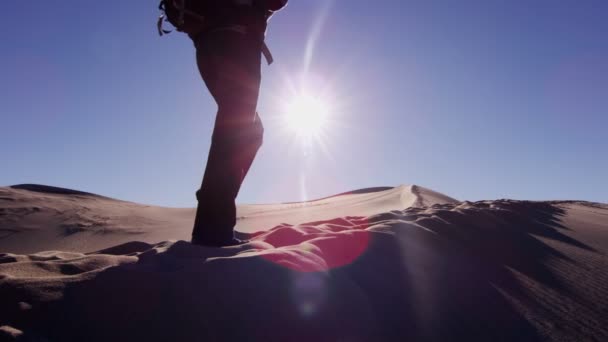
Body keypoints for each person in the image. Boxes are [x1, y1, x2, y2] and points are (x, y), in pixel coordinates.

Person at [189, 0, 288, 247]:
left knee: (249, 129)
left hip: (208, 44)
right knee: (239, 129)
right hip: (236, 41)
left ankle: (212, 214)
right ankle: (212, 230)